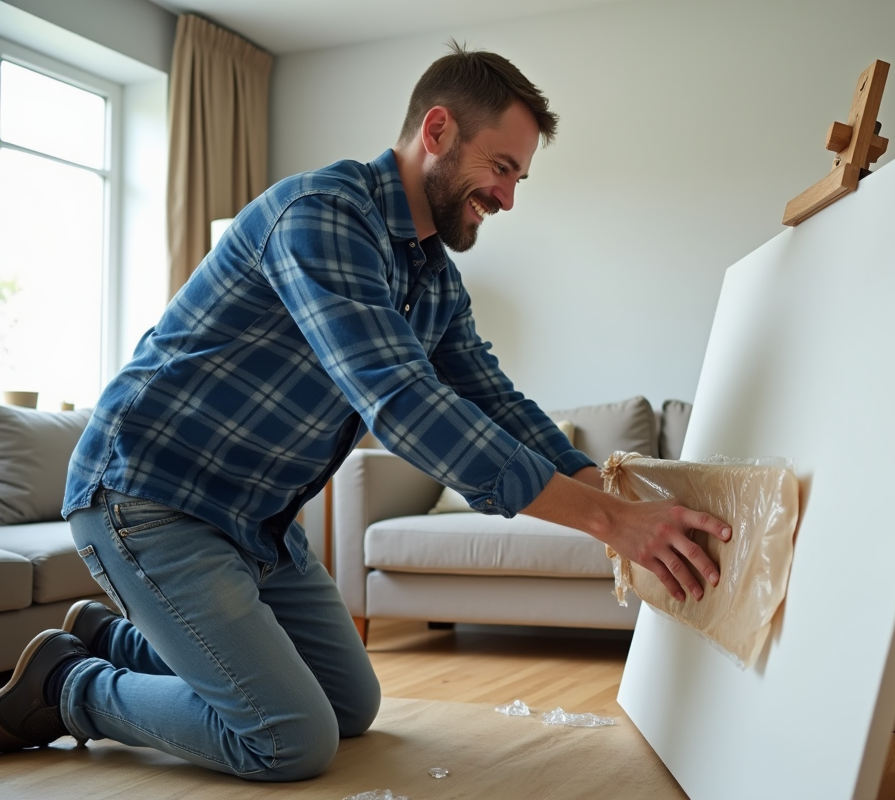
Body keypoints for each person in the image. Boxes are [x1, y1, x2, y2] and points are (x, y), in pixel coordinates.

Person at [0, 42, 730, 779]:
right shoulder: (321, 215)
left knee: (350, 706)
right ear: (437, 132)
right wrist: (607, 523)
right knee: (289, 739)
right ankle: (68, 688)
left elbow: (492, 398)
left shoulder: (433, 279)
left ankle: (111, 638)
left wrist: (603, 485)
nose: (509, 198)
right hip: (150, 500)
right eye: (502, 169)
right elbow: (404, 402)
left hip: (255, 520)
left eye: (519, 177)